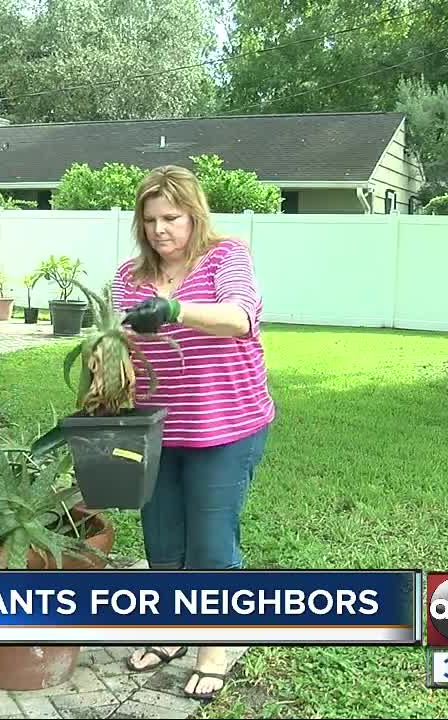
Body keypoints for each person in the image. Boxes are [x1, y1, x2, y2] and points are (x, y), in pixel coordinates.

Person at [112, 165, 275, 701]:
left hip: (227, 425)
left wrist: (176, 309)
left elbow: (239, 317)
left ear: (194, 215)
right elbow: (119, 346)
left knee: (210, 542)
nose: (160, 229)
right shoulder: (127, 277)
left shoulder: (226, 258)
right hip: (156, 429)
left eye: (172, 217)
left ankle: (213, 647)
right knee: (161, 540)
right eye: (151, 218)